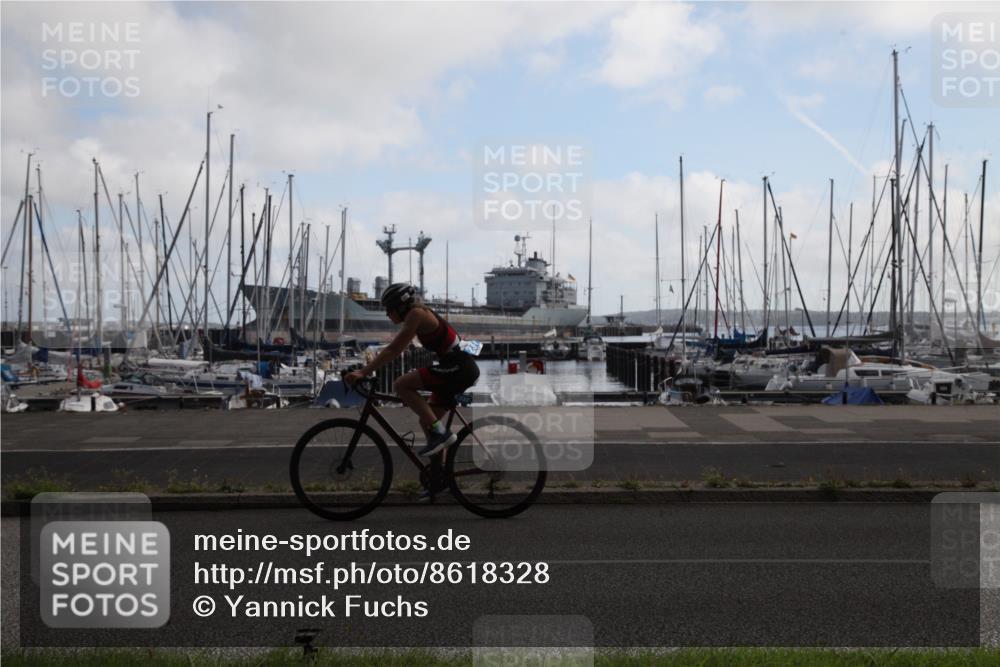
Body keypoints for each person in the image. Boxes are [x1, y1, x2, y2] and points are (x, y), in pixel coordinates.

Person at [343, 282, 480, 457]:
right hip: (457, 366)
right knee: (427, 422)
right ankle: (438, 479)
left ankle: (441, 433)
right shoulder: (418, 313)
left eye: (389, 309)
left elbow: (394, 349)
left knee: (401, 385)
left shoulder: (416, 314)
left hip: (459, 367)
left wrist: (363, 372)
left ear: (401, 306)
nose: (387, 314)